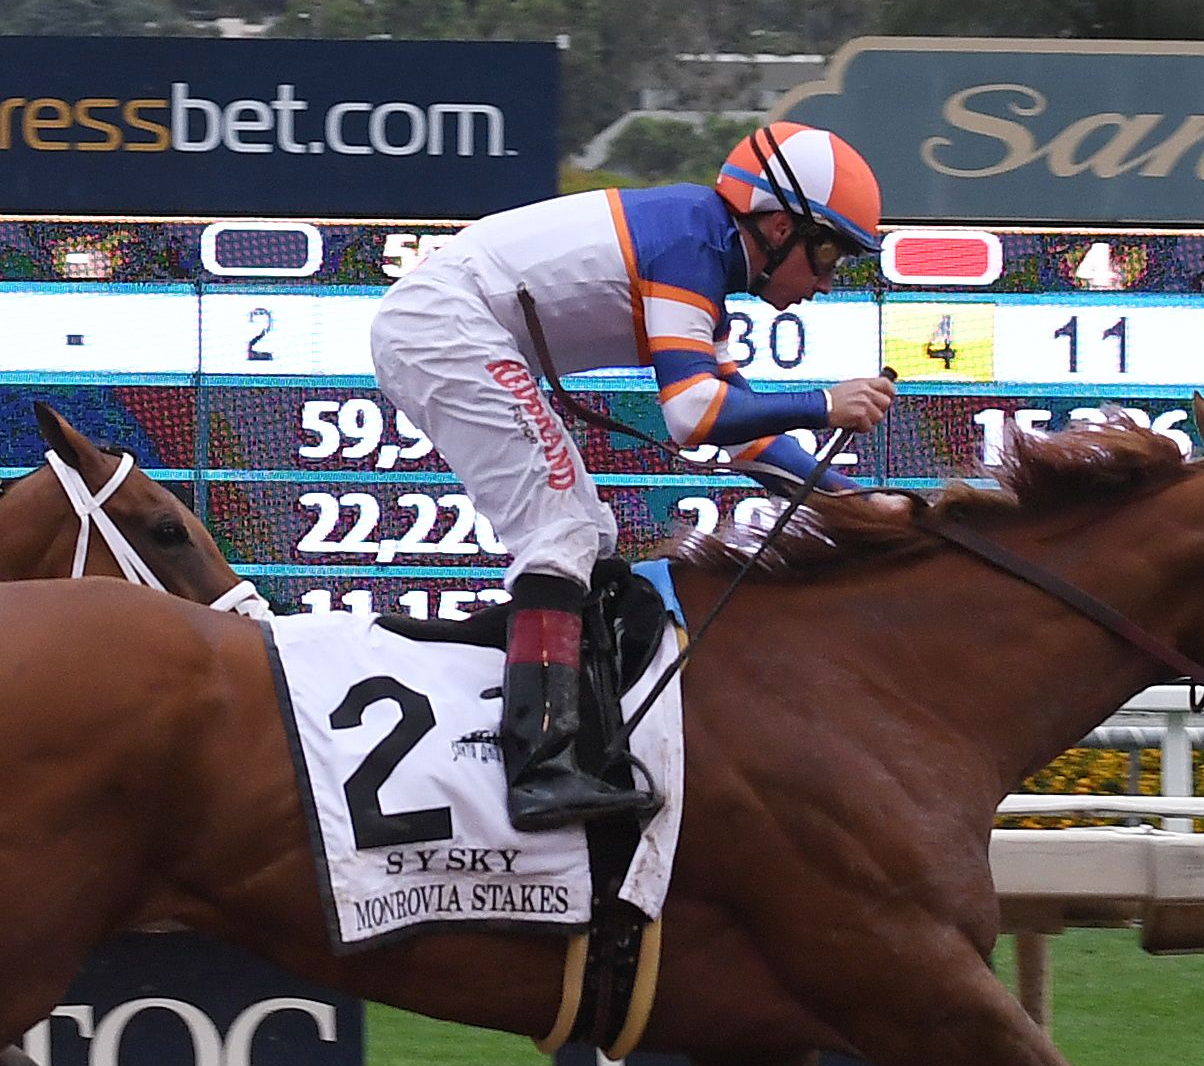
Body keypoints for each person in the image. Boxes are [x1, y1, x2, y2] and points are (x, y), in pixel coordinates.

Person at [369, 121, 896, 829]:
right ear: (775, 225)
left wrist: (857, 503)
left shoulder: (699, 244)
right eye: (826, 251)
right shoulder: (689, 242)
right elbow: (694, 416)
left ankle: (559, 746)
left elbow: (745, 439)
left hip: (446, 324)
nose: (827, 282)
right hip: (445, 325)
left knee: (590, 535)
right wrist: (827, 404)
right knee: (559, 533)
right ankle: (534, 768)